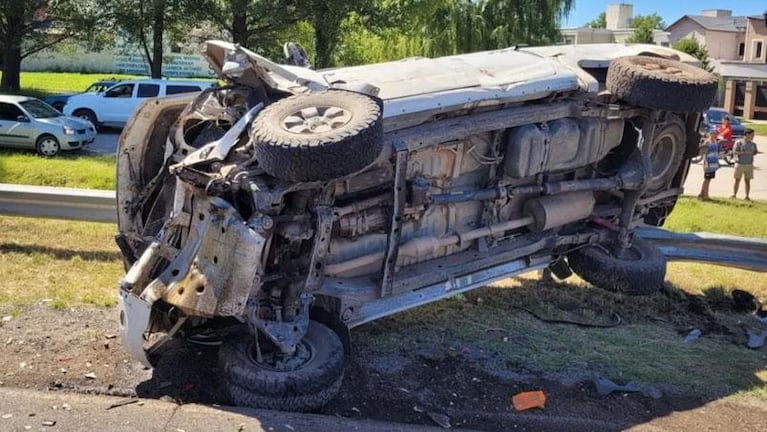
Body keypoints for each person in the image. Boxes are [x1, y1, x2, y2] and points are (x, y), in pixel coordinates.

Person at [731, 128, 759, 201]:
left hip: (749, 164)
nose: (753, 136)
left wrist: (753, 153)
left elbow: (755, 152)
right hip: (740, 164)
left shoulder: (753, 144)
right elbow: (734, 152)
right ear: (747, 134)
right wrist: (743, 153)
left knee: (747, 181)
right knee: (737, 180)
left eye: (753, 135)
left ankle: (747, 196)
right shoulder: (739, 142)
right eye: (752, 135)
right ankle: (734, 195)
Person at [698, 133, 719, 200]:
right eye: (714, 134)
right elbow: (704, 153)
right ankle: (706, 195)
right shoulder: (707, 142)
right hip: (708, 162)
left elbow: (716, 152)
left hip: (714, 162)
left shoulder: (715, 142)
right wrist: (706, 162)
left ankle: (701, 193)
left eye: (716, 134)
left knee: (709, 179)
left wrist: (717, 162)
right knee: (707, 179)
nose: (715, 135)